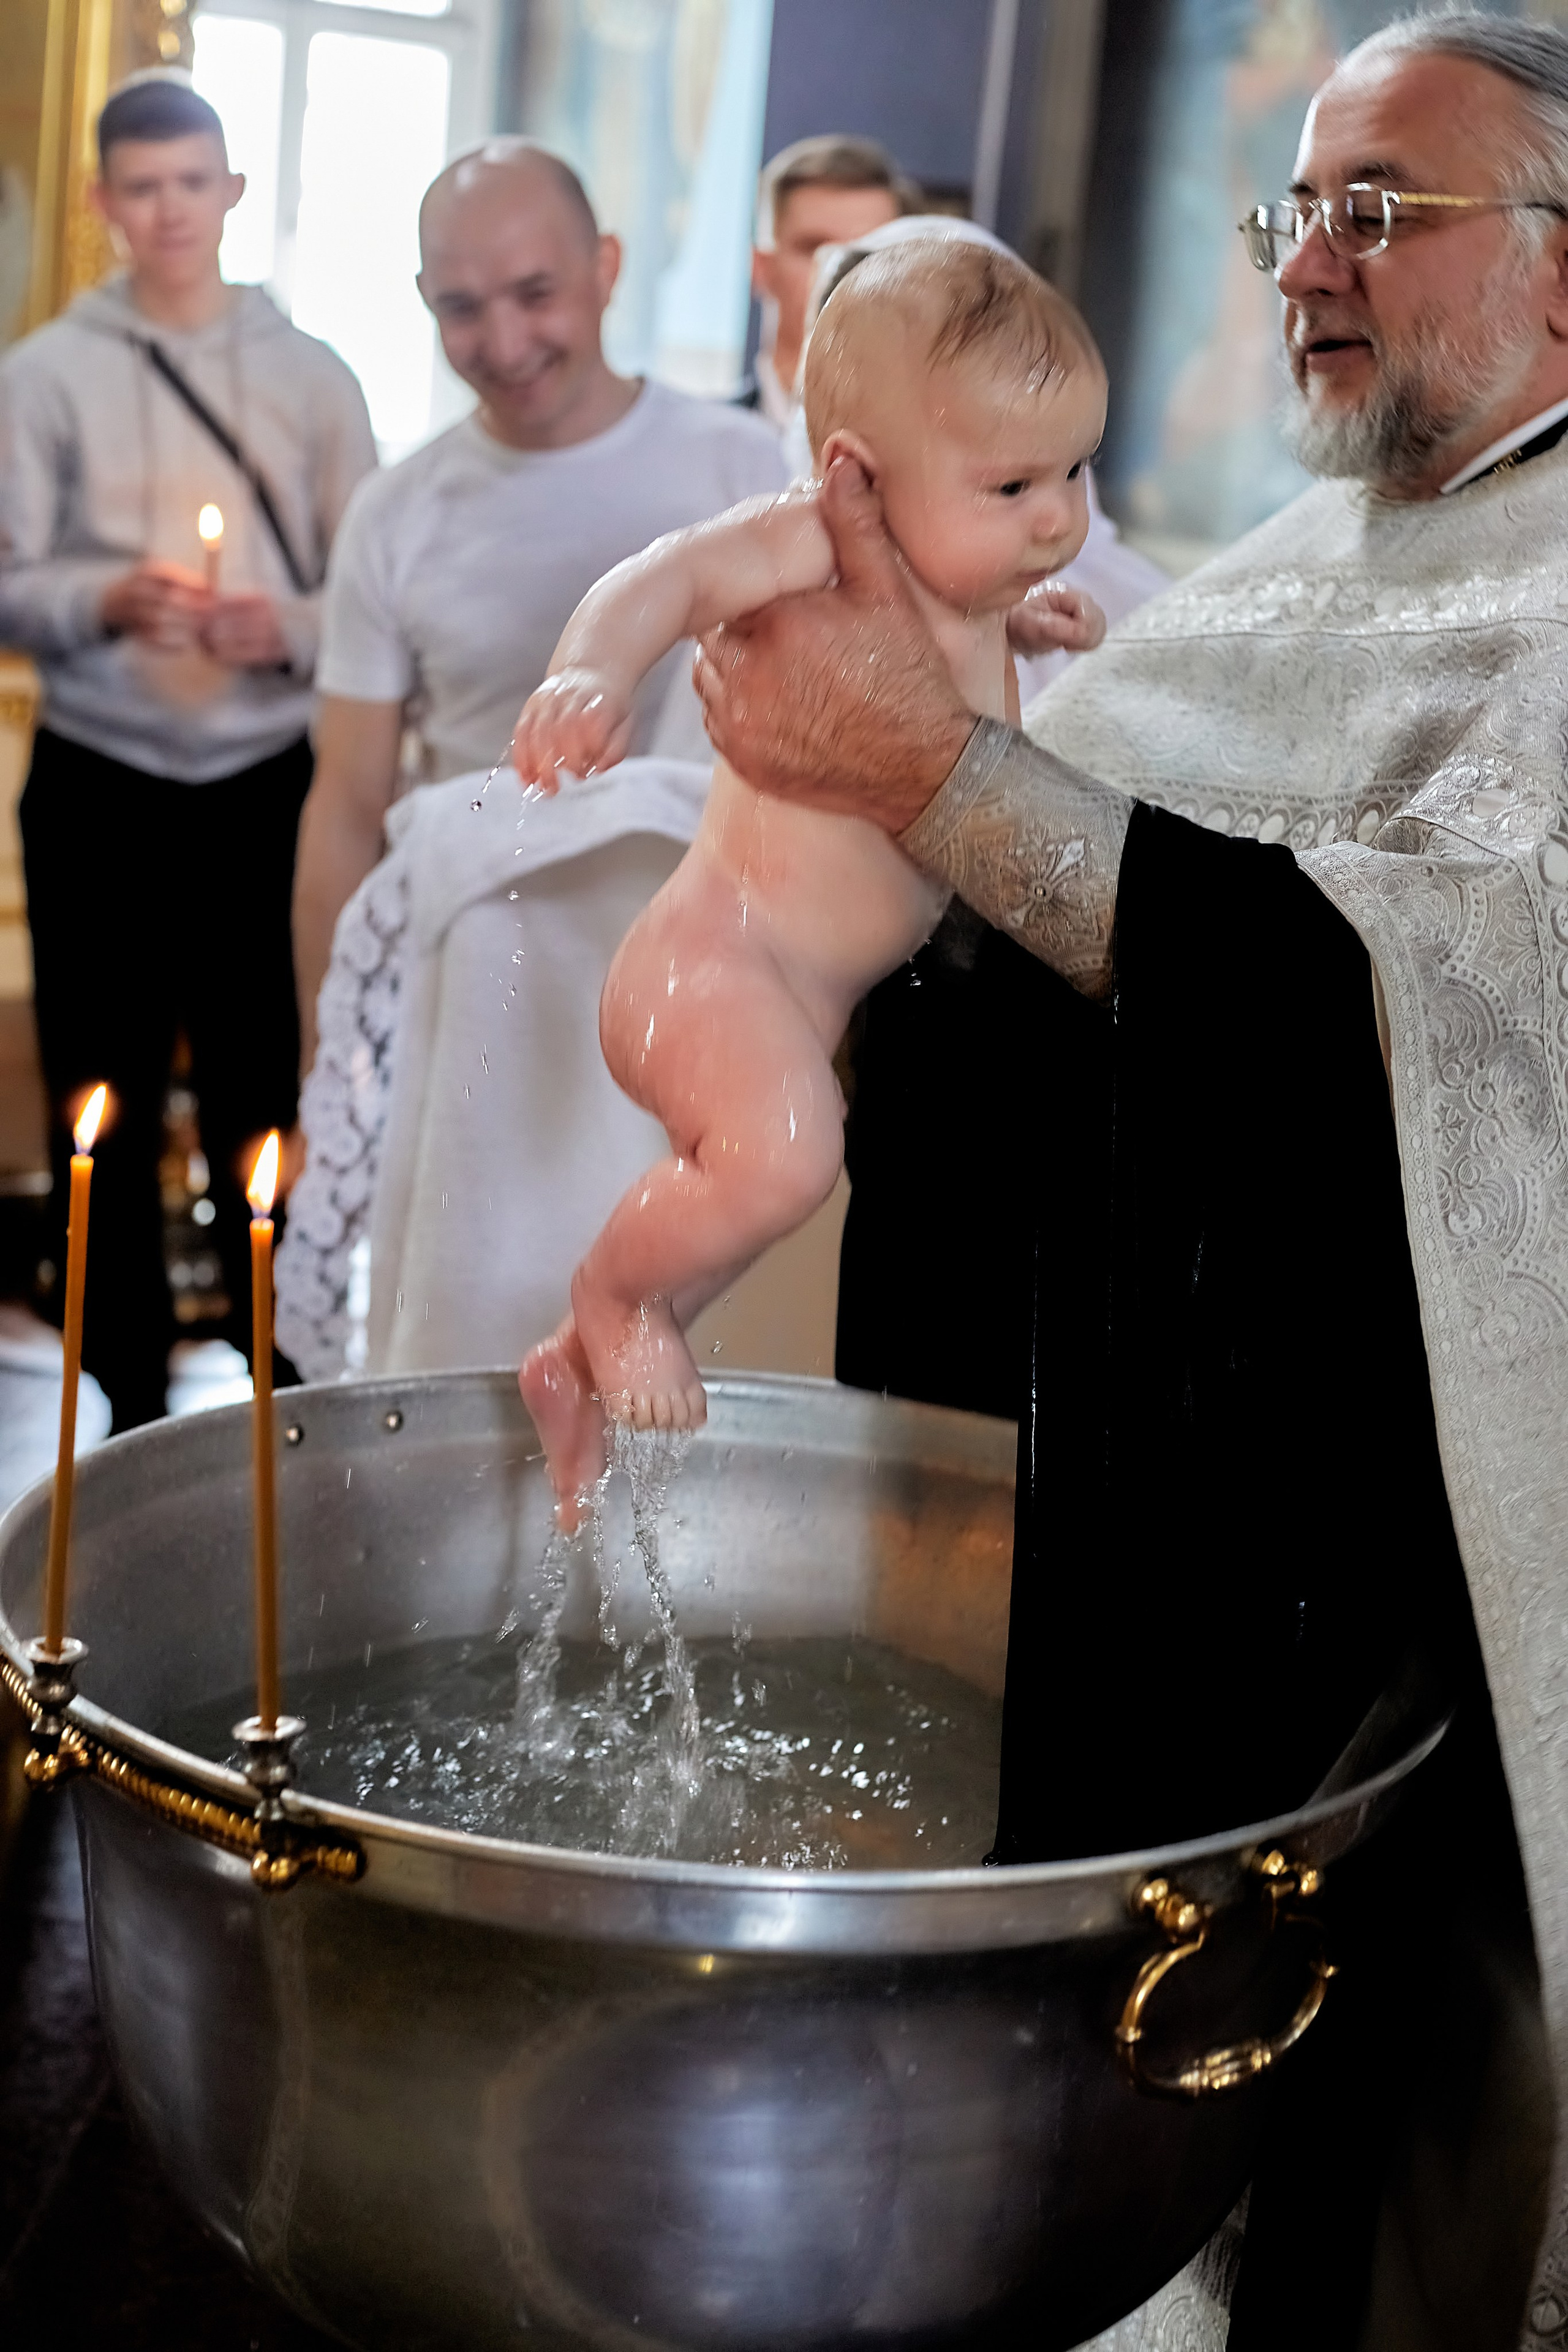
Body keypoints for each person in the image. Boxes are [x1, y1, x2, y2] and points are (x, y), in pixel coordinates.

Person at [692, 14, 1568, 2348]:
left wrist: (928, 769)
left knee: (1313, 2136)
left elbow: (1423, 1018)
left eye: (1377, 206)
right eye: (1294, 207)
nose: (1303, 262)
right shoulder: (1322, 548)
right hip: (1140, 1477)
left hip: (1377, 1554)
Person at [513, 241, 1105, 1520]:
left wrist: (1015, 615)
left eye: (1072, 471)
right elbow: (657, 580)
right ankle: (606, 1301)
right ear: (853, 473)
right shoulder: (805, 541)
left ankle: (571, 1379)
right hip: (716, 967)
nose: (1056, 516)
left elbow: (942, 668)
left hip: (797, 998)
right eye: (1009, 484)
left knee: (743, 1214)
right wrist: (589, 674)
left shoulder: (959, 574)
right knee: (785, 1164)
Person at [0, 73, 375, 1429]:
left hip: (263, 786)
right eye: (140, 188)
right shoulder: (44, 375)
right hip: (101, 776)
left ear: (229, 191)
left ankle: (291, 1385)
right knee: (95, 1092)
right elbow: (8, 583)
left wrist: (278, 624)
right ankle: (123, 1404)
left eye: (192, 183)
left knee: (261, 1084)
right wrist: (107, 597)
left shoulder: (310, 376)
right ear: (104, 202)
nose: (169, 211)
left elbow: (373, 599)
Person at [292, 137, 787, 1080]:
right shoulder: (395, 512)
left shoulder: (741, 466)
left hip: (697, 966)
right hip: (471, 972)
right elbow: (348, 804)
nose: (507, 344)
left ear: (605, 269)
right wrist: (332, 1052)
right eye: (462, 309)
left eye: (536, 294)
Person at [742, 134, 920, 427]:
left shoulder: (927, 453)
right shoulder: (699, 445)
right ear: (761, 266)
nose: (839, 271)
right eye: (815, 248)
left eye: (865, 252)